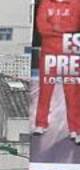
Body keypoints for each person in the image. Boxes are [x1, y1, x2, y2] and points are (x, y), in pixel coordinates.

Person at [33, 0, 80, 141]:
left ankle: (75, 129)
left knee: (73, 92)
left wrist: (54, 28)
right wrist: (62, 30)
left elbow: (75, 26)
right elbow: (42, 27)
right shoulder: (45, 3)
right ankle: (41, 124)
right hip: (48, 52)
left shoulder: (76, 3)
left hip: (69, 50)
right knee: (45, 90)